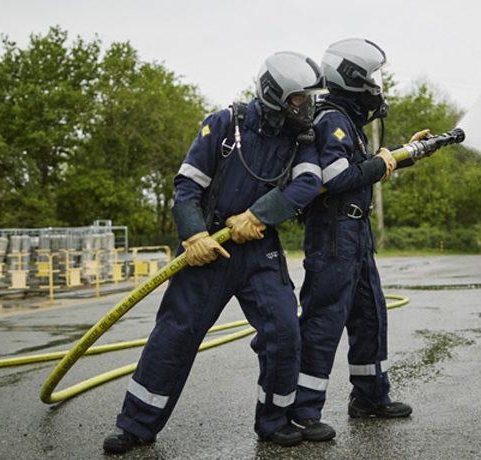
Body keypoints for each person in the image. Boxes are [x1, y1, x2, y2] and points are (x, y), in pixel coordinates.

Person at [103, 51, 328, 453]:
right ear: (276, 94)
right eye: (300, 99)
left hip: (260, 252)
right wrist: (193, 236)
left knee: (284, 331)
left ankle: (274, 421)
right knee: (176, 335)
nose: (307, 107)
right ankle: (136, 426)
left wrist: (260, 215)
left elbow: (308, 184)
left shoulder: (300, 140)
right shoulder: (224, 124)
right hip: (208, 251)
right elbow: (187, 188)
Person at [290, 38, 434, 442]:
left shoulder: (347, 120)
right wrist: (385, 160)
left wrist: (403, 153)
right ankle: (303, 411)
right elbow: (337, 178)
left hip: (356, 234)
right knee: (324, 320)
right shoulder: (331, 119)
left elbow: (360, 169)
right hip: (335, 233)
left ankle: (370, 397)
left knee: (370, 314)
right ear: (352, 78)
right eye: (370, 75)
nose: (375, 84)